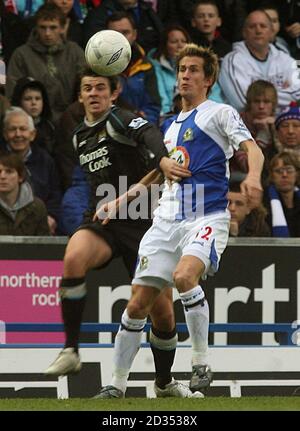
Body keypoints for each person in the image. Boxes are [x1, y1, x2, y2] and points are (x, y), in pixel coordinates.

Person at [96, 43, 264, 398]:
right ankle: (116, 385)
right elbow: (158, 174)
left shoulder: (219, 113)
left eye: (193, 70)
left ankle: (201, 362)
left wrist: (253, 177)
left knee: (184, 276)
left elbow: (253, 149)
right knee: (137, 304)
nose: (185, 76)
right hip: (165, 222)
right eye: (182, 69)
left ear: (208, 79)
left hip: (207, 215)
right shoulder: (170, 127)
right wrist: (121, 201)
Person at [44, 66, 202, 399]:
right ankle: (71, 350)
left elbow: (150, 136)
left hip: (144, 221)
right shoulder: (78, 136)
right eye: (87, 88)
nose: (93, 94)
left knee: (161, 312)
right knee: (74, 255)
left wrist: (161, 161)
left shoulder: (122, 119)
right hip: (104, 220)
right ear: (80, 95)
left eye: (100, 88)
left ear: (113, 93)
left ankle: (164, 383)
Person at [5, 3, 85, 122]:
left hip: (69, 120)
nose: (47, 33)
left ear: (62, 28)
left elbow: (85, 87)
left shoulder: (74, 52)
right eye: (43, 27)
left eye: (53, 27)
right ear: (36, 27)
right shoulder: (21, 55)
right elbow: (13, 96)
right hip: (33, 121)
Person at [219, 10, 300, 112]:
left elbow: (298, 95)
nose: (258, 31)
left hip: (283, 125)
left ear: (271, 31)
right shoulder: (232, 61)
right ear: (244, 32)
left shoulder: (284, 58)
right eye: (252, 26)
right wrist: (284, 94)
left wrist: (257, 98)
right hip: (246, 126)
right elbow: (242, 102)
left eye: (263, 26)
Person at [2, 107, 62, 235]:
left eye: (23, 129)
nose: (18, 134)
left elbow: (55, 193)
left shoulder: (46, 160)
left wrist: (51, 216)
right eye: (13, 129)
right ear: (5, 134)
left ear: (32, 134)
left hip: (38, 221)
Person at [106, 11, 161, 125]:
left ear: (134, 35)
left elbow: (153, 107)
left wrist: (141, 127)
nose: (121, 38)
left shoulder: (146, 66)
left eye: (125, 32)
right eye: (115, 34)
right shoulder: (98, 67)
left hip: (141, 131)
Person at [0, 151, 50, 235]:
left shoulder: (37, 207)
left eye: (9, 171)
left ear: (20, 177)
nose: (2, 176)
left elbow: (44, 244)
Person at [148, 24, 190, 116]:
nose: (180, 45)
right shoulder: (155, 67)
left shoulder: (199, 65)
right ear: (164, 45)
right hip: (170, 117)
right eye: (174, 41)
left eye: (184, 41)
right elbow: (162, 102)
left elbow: (213, 95)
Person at [264, 151, 300, 237]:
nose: (284, 175)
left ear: (297, 174)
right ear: (272, 175)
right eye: (279, 171)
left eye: (289, 170)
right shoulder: (263, 203)